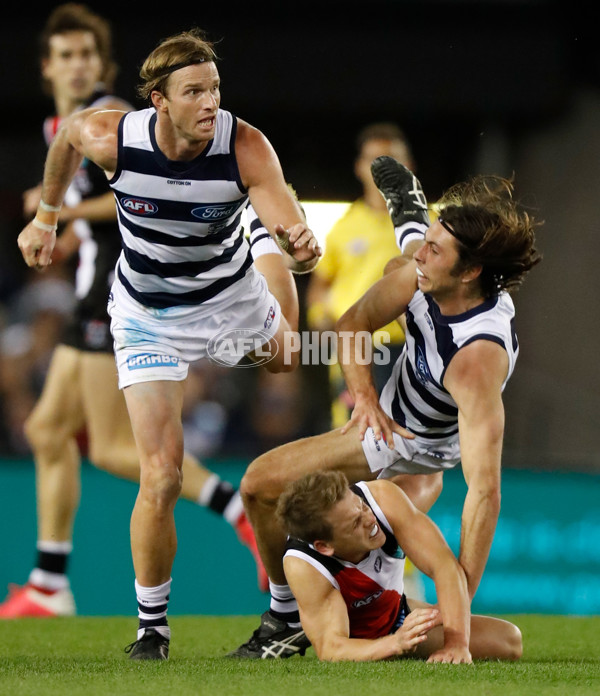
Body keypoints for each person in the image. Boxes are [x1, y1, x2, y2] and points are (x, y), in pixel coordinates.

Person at [16, 27, 321, 659]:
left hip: (229, 298)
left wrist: (294, 240)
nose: (210, 102)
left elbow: (284, 210)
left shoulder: (245, 146)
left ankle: (261, 261)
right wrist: (46, 216)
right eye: (194, 92)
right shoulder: (112, 137)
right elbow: (67, 140)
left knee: (289, 355)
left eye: (214, 88)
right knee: (159, 475)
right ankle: (151, 630)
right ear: (158, 99)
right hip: (147, 314)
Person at [229, 158, 540, 658]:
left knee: (260, 485)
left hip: (419, 441)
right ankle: (287, 615)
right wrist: (365, 401)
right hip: (389, 419)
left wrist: (457, 626)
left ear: (472, 271)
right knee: (400, 267)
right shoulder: (427, 277)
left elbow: (484, 493)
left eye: (436, 249)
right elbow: (351, 325)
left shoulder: (476, 362)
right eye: (429, 241)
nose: (425, 257)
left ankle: (294, 621)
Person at [306, 122, 429, 598]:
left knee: (407, 467)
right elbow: (320, 285)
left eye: (391, 161)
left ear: (408, 168)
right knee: (356, 464)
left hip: (411, 354)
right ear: (358, 168)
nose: (380, 171)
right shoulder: (343, 226)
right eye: (373, 161)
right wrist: (321, 314)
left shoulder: (431, 221)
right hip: (359, 356)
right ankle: (359, 574)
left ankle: (404, 576)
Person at [262, 470, 522, 662]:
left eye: (361, 507)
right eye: (354, 524)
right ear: (324, 547)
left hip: (398, 613)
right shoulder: (304, 565)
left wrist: (455, 644)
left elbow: (445, 567)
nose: (369, 519)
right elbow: (332, 649)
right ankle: (304, 627)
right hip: (361, 637)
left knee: (510, 641)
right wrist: (395, 644)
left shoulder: (383, 499)